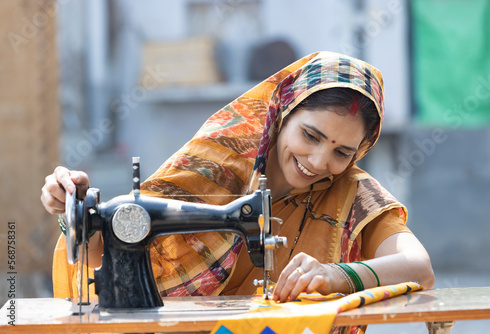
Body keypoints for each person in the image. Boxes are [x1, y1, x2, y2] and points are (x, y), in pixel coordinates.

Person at [41, 51, 434, 332]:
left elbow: (419, 267)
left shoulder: (353, 193)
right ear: (282, 113)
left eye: (342, 152)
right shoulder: (214, 164)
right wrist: (76, 210)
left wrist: (338, 275)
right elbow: (102, 257)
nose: (317, 161)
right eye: (310, 135)